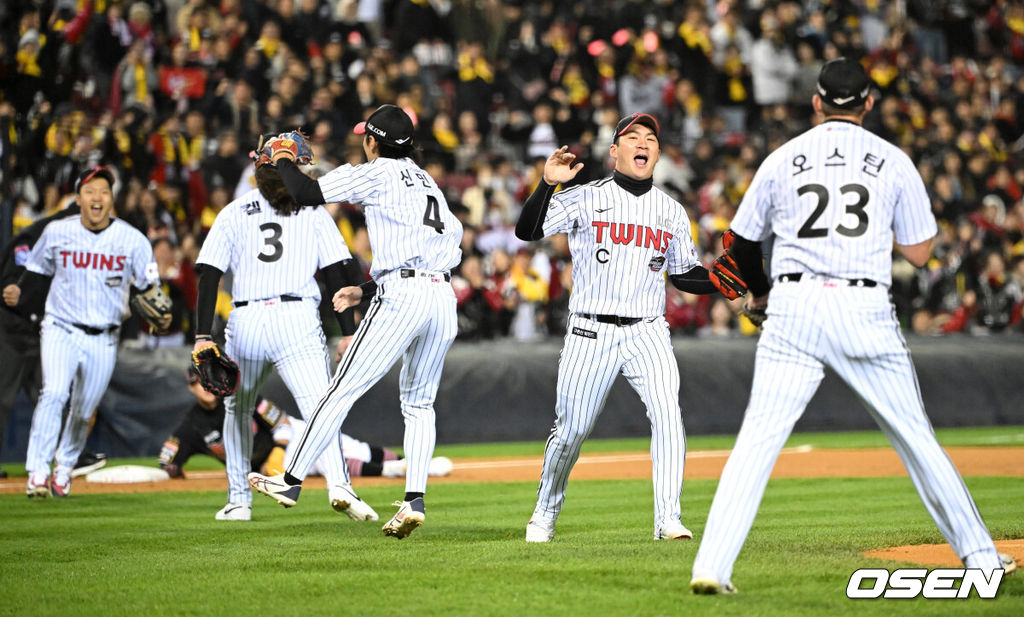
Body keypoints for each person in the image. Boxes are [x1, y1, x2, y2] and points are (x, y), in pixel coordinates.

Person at [689, 58, 1016, 595]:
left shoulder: (782, 157)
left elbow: (740, 243)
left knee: (756, 441)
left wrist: (761, 291)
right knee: (915, 436)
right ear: (867, 103)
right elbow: (919, 251)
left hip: (792, 303)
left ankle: (711, 567)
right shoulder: (893, 160)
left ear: (817, 103)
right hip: (864, 306)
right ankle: (979, 557)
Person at [514, 114, 742, 543]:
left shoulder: (671, 210)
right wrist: (547, 184)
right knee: (572, 431)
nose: (643, 143)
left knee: (668, 416)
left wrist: (716, 282)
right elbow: (527, 230)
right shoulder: (585, 196)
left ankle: (668, 519)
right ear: (614, 151)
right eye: (632, 137)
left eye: (650, 138)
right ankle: (544, 512)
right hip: (589, 330)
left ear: (657, 152)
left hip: (648, 330)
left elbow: (683, 273)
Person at [247, 105, 463, 540]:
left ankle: (290, 480)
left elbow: (306, 195)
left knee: (338, 390)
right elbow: (438, 246)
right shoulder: (428, 182)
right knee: (420, 404)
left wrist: (285, 157)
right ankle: (414, 500)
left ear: (372, 142)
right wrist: (364, 290)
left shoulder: (376, 172)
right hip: (442, 296)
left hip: (404, 295)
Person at [191, 132, 376, 522]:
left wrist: (202, 334)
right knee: (320, 409)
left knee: (237, 410)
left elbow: (208, 274)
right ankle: (339, 486)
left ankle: (239, 500)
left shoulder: (234, 211)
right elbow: (337, 274)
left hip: (247, 321)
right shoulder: (313, 211)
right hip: (295, 320)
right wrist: (347, 330)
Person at [2, 166, 163, 498]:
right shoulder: (57, 232)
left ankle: (64, 467)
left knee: (84, 409)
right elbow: (35, 273)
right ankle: (37, 471)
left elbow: (151, 291)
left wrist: (160, 311)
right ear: (78, 198)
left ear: (111, 199)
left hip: (104, 335)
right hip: (60, 327)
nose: (97, 198)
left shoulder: (132, 240)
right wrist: (22, 293)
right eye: (90, 191)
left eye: (104, 191)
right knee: (54, 393)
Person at [159, 366, 453, 481]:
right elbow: (169, 464)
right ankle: (395, 470)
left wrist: (277, 450)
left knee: (354, 447)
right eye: (199, 383)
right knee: (326, 463)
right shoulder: (191, 427)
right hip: (267, 467)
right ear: (190, 387)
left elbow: (281, 422)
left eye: (208, 381)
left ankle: (405, 462)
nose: (205, 388)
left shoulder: (240, 399)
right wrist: (174, 475)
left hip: (287, 438)